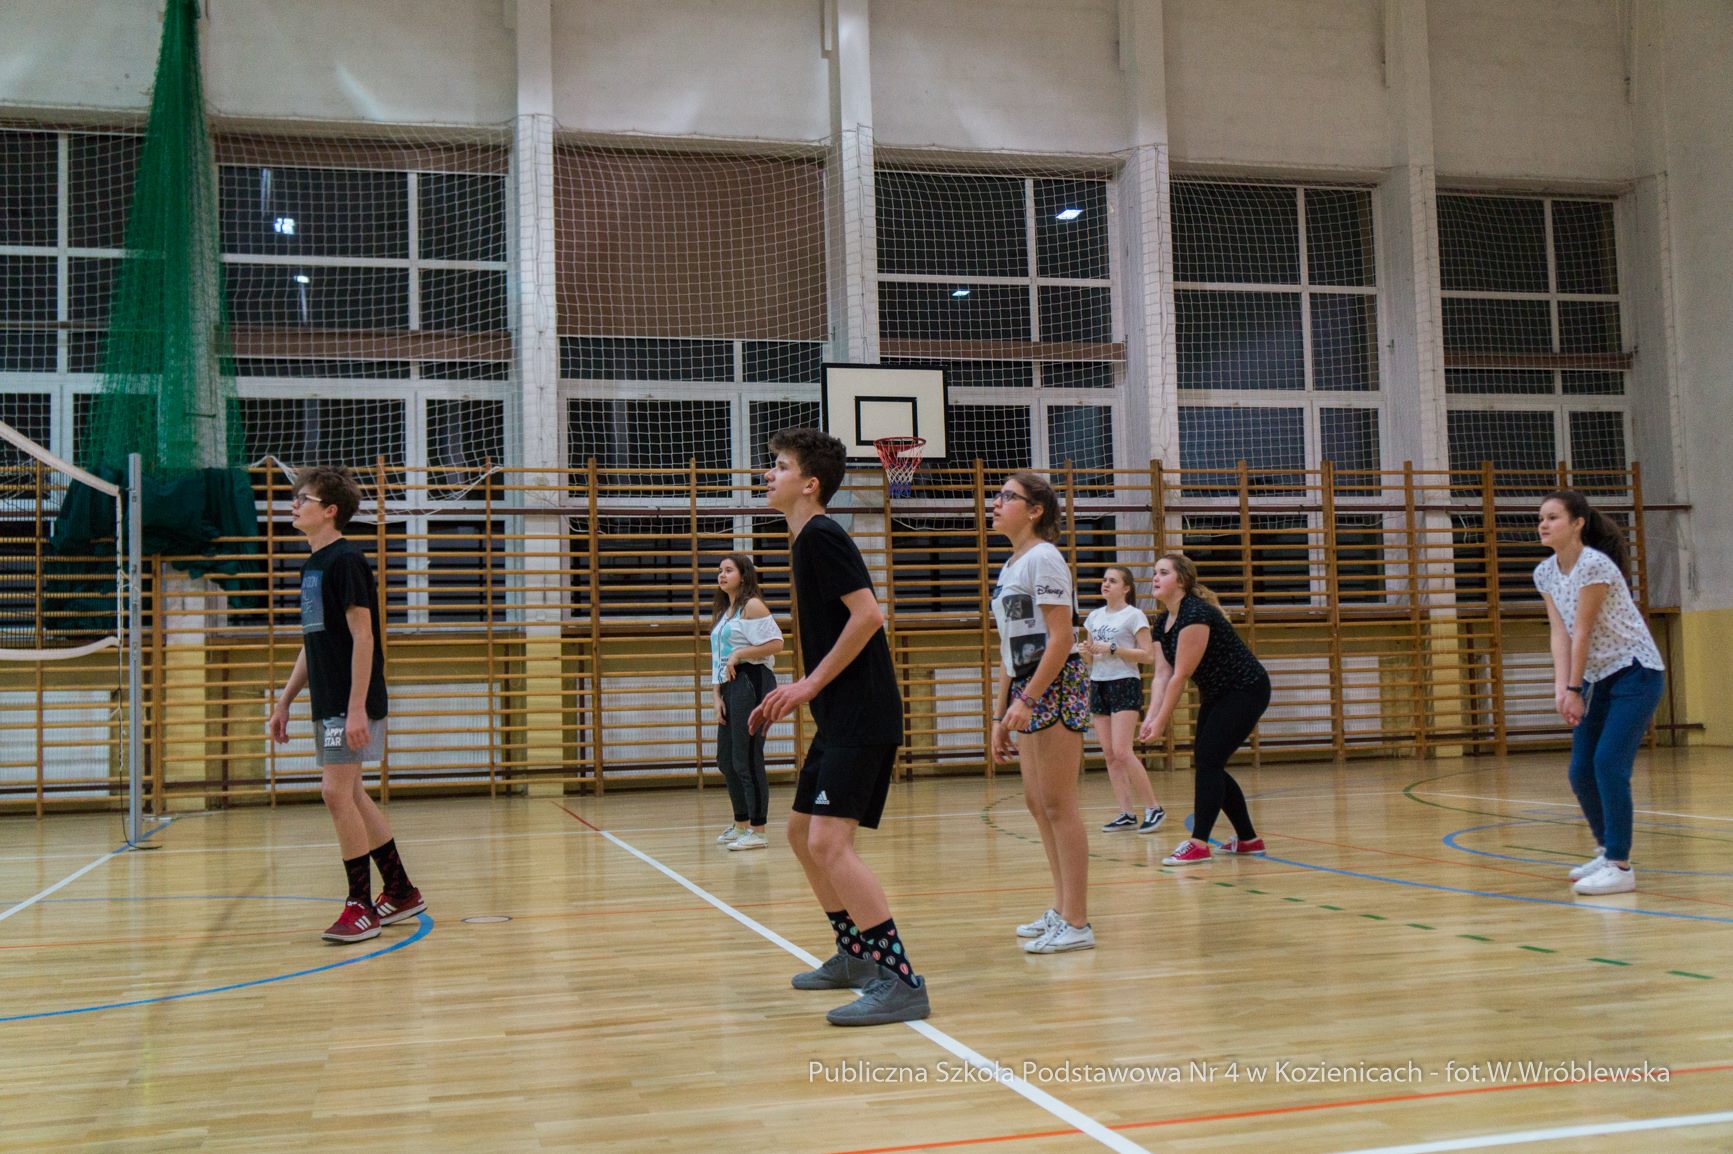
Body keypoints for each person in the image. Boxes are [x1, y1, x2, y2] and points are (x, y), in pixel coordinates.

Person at [747, 427, 929, 1026]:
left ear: (810, 483)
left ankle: (900, 980)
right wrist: (806, 688)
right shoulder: (806, 540)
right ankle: (854, 956)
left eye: (779, 466)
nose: (768, 474)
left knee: (828, 842)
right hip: (839, 715)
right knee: (802, 833)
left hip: (861, 712)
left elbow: (869, 616)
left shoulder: (822, 535)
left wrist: (806, 685)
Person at [267, 466, 424, 943]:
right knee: (352, 794)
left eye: (304, 499)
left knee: (335, 793)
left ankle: (361, 906)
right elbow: (313, 641)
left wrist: (357, 708)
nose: (295, 505)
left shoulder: (347, 561)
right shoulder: (312, 566)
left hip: (349, 701)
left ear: (330, 510)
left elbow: (364, 636)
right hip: (328, 698)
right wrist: (285, 700)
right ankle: (400, 891)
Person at [1536, 489, 1666, 896]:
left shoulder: (1594, 565)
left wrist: (1575, 688)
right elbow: (1560, 633)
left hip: (1635, 673)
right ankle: (1606, 850)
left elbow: (1584, 631)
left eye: (1553, 517)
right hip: (1596, 677)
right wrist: (1562, 689)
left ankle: (1620, 866)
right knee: (1580, 770)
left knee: (1609, 764)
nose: (1543, 524)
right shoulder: (1545, 573)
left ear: (1577, 523)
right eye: (1541, 518)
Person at [991, 472, 1094, 954]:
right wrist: (1000, 715)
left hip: (1053, 684)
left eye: (1007, 496)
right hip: (1027, 687)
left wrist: (1029, 698)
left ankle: (1077, 921)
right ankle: (1061, 907)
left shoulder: (1045, 557)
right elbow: (1010, 649)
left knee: (1058, 804)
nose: (996, 502)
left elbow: (1061, 638)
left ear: (1034, 511)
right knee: (1037, 803)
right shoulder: (1012, 564)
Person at [1139, 553, 1269, 866]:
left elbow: (1180, 676)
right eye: (1155, 572)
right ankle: (1248, 840)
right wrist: (1151, 716)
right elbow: (1162, 675)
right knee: (1210, 763)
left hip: (1245, 689)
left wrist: (1162, 722)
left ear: (1181, 580)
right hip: (1218, 693)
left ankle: (1198, 843)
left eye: (1164, 572)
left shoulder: (1195, 614)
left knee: (1209, 761)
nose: (1155, 578)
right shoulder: (1162, 623)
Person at [1081, 566, 1164, 835]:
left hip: (1124, 683)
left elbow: (1148, 655)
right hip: (1099, 683)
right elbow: (1091, 659)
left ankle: (1153, 807)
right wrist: (1085, 651)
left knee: (1122, 750)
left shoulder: (1134, 615)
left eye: (1113, 581)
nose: (1106, 584)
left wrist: (1114, 648)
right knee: (1109, 754)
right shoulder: (1093, 617)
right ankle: (1126, 813)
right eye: (1104, 579)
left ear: (1126, 588)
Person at [710, 553, 783, 852]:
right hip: (729, 685)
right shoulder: (725, 612)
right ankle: (741, 823)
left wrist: (740, 654)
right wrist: (716, 695)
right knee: (726, 759)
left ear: (743, 575)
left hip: (752, 680)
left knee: (747, 757)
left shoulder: (751, 606)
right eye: (720, 570)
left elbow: (776, 643)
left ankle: (758, 830)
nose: (722, 575)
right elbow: (719, 657)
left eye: (729, 570)